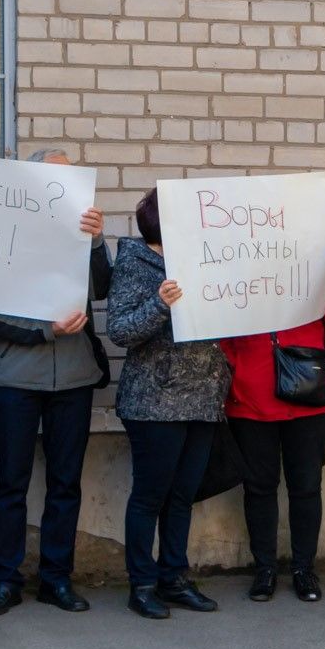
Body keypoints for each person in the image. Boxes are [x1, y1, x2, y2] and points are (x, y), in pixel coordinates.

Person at [0, 148, 112, 617]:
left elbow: (103, 289)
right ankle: (4, 581)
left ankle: (56, 579)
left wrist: (96, 242)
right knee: (11, 483)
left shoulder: (81, 232)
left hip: (72, 378)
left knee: (65, 483)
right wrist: (44, 331)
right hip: (15, 378)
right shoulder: (2, 232)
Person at [108, 189, 229, 619]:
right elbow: (120, 330)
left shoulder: (209, 260)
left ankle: (174, 577)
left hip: (202, 395)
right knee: (150, 496)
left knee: (183, 496)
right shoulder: (134, 261)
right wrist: (161, 303)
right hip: (154, 401)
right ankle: (141, 583)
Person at [219, 265, 325, 604]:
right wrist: (232, 366)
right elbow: (218, 322)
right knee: (259, 487)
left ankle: (303, 568)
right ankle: (264, 568)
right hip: (251, 395)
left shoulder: (312, 252)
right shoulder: (237, 256)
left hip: (309, 394)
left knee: (306, 486)